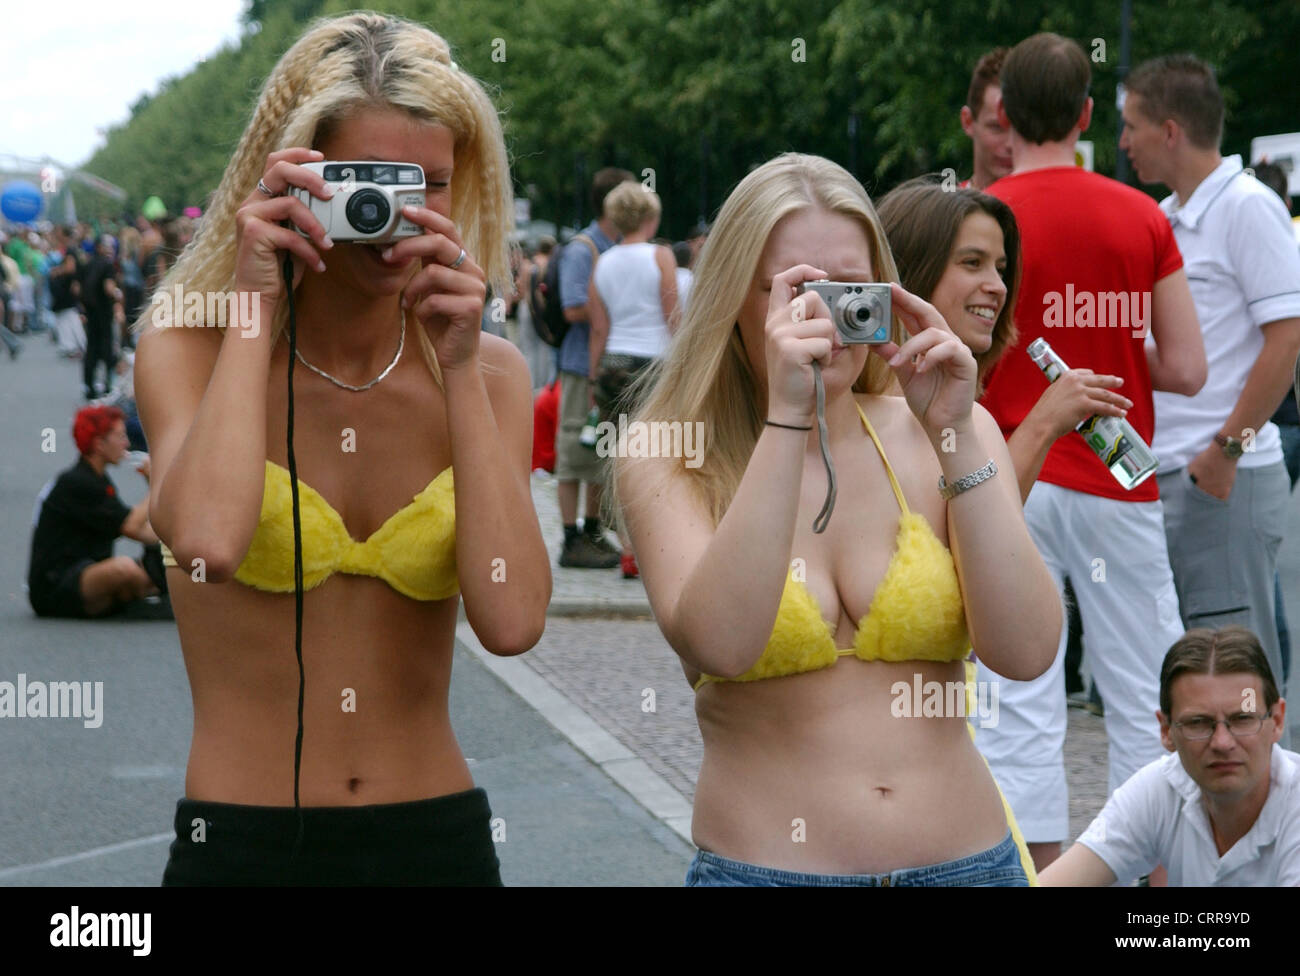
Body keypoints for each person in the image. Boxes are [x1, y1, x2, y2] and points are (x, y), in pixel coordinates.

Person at [133, 11, 549, 886]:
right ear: (285, 180)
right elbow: (206, 540)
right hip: (242, 841)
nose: (391, 213)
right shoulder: (191, 348)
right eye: (362, 181)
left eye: (425, 182)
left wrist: (465, 368)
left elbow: (512, 621)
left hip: (436, 839)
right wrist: (253, 305)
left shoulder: (490, 375)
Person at [616, 152, 1060, 886]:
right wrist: (789, 419)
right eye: (797, 291)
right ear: (735, 298)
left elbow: (1027, 647)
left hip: (966, 866)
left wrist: (957, 434)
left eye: (851, 289)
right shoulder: (673, 450)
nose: (828, 316)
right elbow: (721, 643)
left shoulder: (943, 430)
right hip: (768, 871)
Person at [975, 33, 1207, 870]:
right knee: (1145, 684)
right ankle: (1152, 876)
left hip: (1015, 471)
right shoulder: (1141, 214)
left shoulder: (987, 217)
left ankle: (1027, 874)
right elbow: (1185, 366)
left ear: (1004, 117)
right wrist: (1108, 342)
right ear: (1084, 115)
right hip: (1117, 473)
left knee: (1015, 693)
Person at [879, 176, 1135, 868]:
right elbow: (946, 540)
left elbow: (993, 571)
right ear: (906, 272)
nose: (996, 284)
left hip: (954, 819)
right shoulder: (856, 420)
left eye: (1001, 267)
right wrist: (1048, 420)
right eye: (971, 263)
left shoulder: (968, 414)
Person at [1120, 58, 1300, 725]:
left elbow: (1288, 339)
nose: (1122, 140)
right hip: (1171, 476)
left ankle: (1273, 829)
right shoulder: (1165, 217)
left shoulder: (1248, 207)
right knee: (1191, 680)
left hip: (1220, 480)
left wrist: (1225, 450)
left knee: (1235, 684)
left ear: (1170, 130)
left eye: (1131, 125)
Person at [1041, 626, 1299, 886]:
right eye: (1198, 723)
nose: (1222, 742)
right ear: (1165, 731)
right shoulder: (1159, 790)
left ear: (1277, 721)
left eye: (1242, 719)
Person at [587, 182, 678, 579]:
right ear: (650, 217)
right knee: (659, 455)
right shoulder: (661, 255)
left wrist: (594, 376)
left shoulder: (602, 262)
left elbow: (598, 327)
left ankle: (626, 547)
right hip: (655, 364)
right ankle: (658, 544)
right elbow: (672, 314)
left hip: (613, 363)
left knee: (616, 455)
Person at [554, 167, 635, 568]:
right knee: (573, 448)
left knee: (600, 451)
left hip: (604, 366)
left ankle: (591, 531)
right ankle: (570, 540)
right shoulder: (584, 248)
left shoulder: (615, 246)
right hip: (578, 365)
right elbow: (571, 308)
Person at [28, 406, 162, 618]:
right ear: (99, 444)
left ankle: (137, 593)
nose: (126, 443)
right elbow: (131, 526)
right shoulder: (78, 482)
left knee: (144, 571)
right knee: (125, 569)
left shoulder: (97, 479)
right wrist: (157, 483)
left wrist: (169, 548)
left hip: (81, 574)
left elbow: (146, 533)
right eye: (120, 436)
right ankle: (140, 594)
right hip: (54, 585)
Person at [959, 47, 1013, 190]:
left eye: (1022, 130)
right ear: (968, 121)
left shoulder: (1051, 208)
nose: (1011, 144)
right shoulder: (943, 210)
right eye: (997, 127)